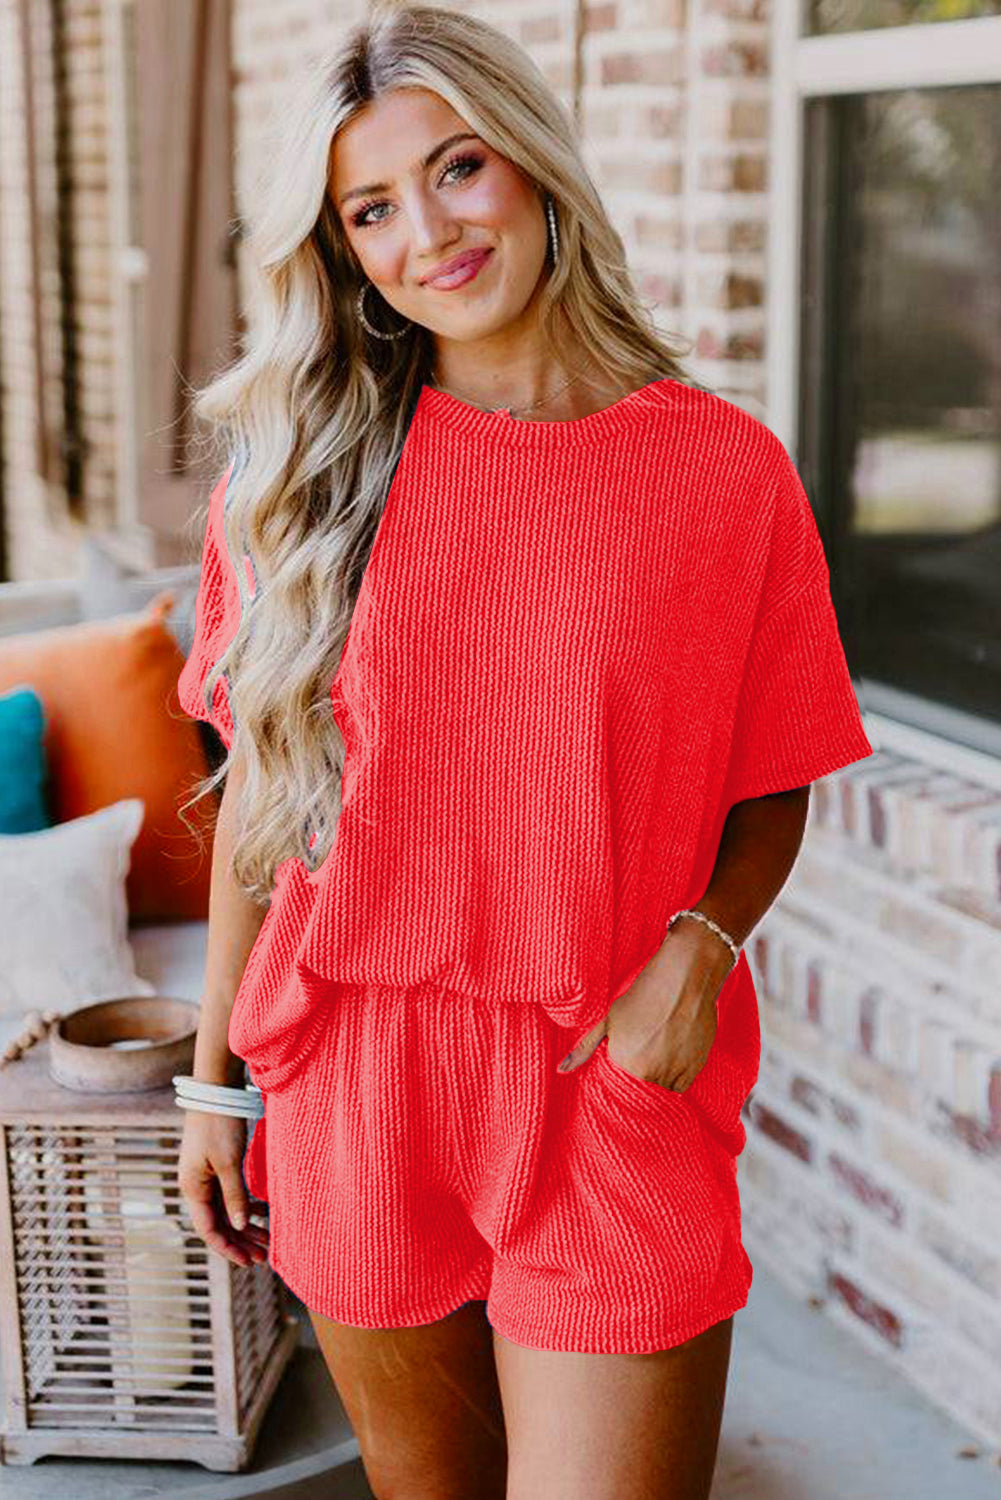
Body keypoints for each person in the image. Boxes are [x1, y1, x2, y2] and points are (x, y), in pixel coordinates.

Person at [173, 6, 876, 1497]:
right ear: (340, 246)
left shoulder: (717, 470)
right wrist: (214, 1081)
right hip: (354, 1077)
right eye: (371, 207)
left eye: (457, 170)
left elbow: (773, 766)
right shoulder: (298, 485)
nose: (426, 231)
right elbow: (261, 808)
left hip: (602, 1070)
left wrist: (699, 949)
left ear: (535, 166)